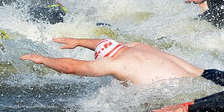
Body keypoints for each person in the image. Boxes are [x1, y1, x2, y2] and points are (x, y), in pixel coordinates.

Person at [20, 37, 204, 84]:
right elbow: (106, 43)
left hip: (183, 94)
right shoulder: (139, 46)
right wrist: (78, 42)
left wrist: (43, 59)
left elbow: (70, 67)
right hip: (209, 76)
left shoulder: (115, 63)